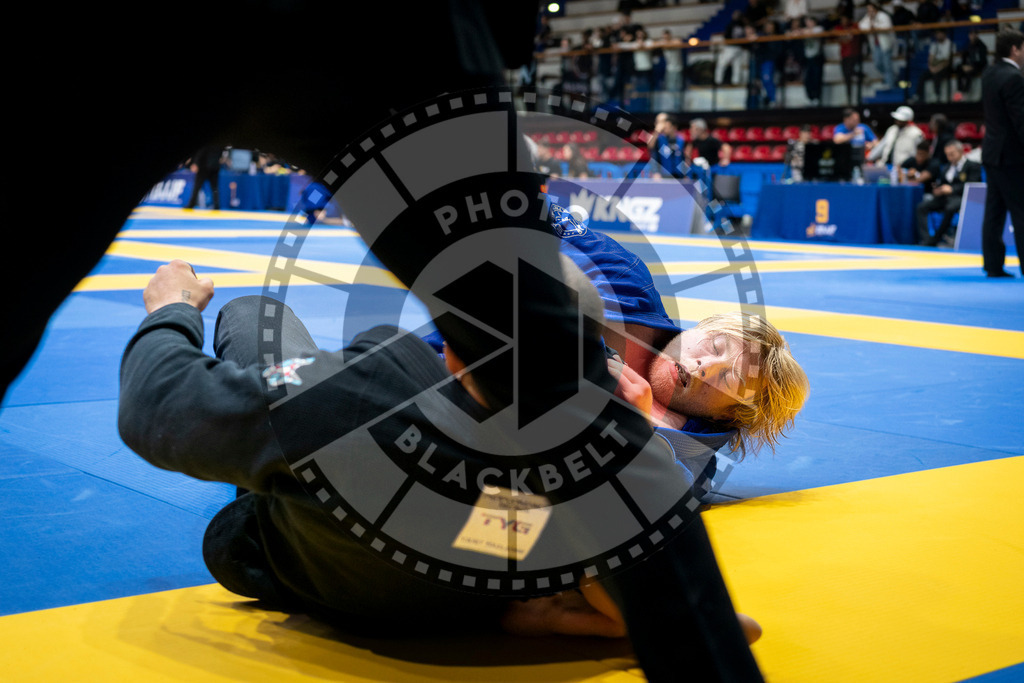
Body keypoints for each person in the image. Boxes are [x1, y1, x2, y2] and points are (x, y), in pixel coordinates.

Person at [119, 255, 767, 681]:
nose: (706, 367)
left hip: (303, 561)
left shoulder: (368, 390)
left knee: (252, 318)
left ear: (453, 350)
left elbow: (155, 403)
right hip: (440, 602)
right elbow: (733, 625)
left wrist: (171, 308)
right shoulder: (612, 465)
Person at [980, 28, 1024, 277]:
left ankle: (993, 264)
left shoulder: (989, 74)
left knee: (994, 212)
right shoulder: (1014, 77)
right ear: (1015, 49)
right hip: (1012, 156)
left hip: (991, 152)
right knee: (1021, 211)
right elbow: (1021, 121)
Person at [915, 140, 983, 246]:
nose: (950, 157)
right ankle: (926, 239)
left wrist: (952, 189)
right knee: (922, 207)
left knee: (950, 208)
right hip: (944, 198)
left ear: (960, 151)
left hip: (962, 198)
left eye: (952, 154)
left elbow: (973, 185)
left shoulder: (973, 166)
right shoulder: (947, 167)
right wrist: (937, 189)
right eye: (947, 155)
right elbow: (942, 183)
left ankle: (936, 239)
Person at [867, 105, 924, 170]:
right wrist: (869, 157)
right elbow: (881, 146)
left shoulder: (916, 133)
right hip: (886, 166)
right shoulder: (892, 130)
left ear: (907, 121)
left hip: (904, 168)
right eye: (897, 119)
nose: (898, 121)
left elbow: (920, 154)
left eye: (901, 120)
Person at [858, 1, 895, 91]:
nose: (869, 12)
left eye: (871, 9)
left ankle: (890, 84)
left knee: (887, 64)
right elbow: (861, 26)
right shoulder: (868, 17)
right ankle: (890, 77)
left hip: (886, 43)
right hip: (876, 45)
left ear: (875, 9)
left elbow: (887, 26)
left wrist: (874, 27)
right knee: (877, 64)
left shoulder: (883, 16)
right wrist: (871, 25)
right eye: (868, 10)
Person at [915, 29, 953, 103]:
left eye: (940, 33)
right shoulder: (934, 44)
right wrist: (931, 67)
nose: (938, 35)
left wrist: (938, 68)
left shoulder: (949, 44)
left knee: (937, 76)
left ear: (944, 34)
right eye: (937, 33)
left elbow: (948, 61)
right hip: (934, 67)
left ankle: (937, 96)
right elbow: (930, 58)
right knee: (922, 76)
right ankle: (919, 97)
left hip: (945, 67)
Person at [183, 144, 226, 210]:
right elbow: (221, 152)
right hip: (214, 167)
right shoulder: (219, 143)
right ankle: (216, 206)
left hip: (204, 167)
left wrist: (196, 163)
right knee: (214, 188)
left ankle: (191, 204)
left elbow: (201, 151)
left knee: (197, 187)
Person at [646, 112, 688, 178]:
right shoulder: (660, 139)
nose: (665, 128)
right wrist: (656, 172)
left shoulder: (680, 140)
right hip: (663, 175)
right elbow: (651, 148)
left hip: (678, 175)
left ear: (674, 127)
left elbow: (683, 158)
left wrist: (685, 174)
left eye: (668, 127)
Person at [956, 28, 990, 98]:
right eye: (971, 34)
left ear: (977, 35)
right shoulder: (968, 45)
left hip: (979, 66)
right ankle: (960, 90)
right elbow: (964, 57)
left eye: (974, 34)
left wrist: (972, 66)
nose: (973, 36)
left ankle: (967, 91)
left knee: (969, 73)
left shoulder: (981, 46)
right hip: (969, 65)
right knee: (959, 68)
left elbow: (982, 61)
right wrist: (964, 66)